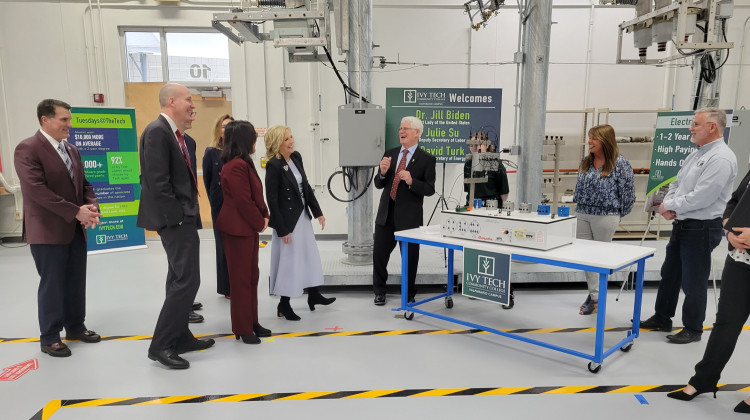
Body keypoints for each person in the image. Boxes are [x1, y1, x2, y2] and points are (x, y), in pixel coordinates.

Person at [13, 99, 102, 358]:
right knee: (53, 282)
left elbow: (84, 183)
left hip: (74, 228)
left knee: (76, 279)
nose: (69, 125)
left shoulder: (71, 149)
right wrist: (76, 211)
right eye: (64, 120)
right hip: (47, 230)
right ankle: (50, 336)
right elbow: (36, 191)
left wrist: (91, 207)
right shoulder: (28, 149)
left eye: (69, 119)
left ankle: (75, 326)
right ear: (45, 120)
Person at [641, 108, 737, 344]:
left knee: (693, 280)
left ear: (712, 127)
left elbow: (703, 197)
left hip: (702, 227)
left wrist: (670, 206)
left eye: (695, 124)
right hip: (684, 223)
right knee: (670, 274)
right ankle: (662, 317)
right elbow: (677, 183)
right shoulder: (696, 154)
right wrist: (668, 204)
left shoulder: (721, 158)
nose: (690, 128)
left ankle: (693, 328)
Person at [137, 83, 214, 369]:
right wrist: (178, 217)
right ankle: (161, 345)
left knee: (177, 278)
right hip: (175, 219)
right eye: (188, 99)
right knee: (187, 280)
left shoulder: (178, 136)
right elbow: (156, 183)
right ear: (171, 101)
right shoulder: (157, 132)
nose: (193, 105)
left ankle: (180, 336)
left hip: (183, 217)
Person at [666, 168, 750, 414]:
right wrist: (728, 228)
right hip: (740, 260)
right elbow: (734, 200)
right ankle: (703, 379)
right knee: (726, 323)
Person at [264, 125, 334, 321]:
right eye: (287, 139)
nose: (291, 141)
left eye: (291, 137)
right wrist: (281, 228)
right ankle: (283, 304)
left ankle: (313, 295)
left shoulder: (296, 158)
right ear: (278, 143)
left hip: (302, 216)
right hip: (288, 222)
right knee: (290, 263)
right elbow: (273, 200)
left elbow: (306, 187)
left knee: (308, 256)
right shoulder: (274, 165)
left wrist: (317, 211)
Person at [214, 120, 271, 344]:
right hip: (238, 230)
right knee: (240, 281)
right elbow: (243, 201)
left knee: (251, 277)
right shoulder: (235, 166)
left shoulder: (243, 162)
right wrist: (260, 222)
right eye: (253, 136)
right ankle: (242, 327)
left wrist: (263, 215)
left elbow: (255, 195)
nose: (256, 140)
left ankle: (252, 322)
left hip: (246, 229)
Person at [373, 116, 436, 306]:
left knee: (409, 258)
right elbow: (378, 184)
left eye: (405, 128)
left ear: (417, 132)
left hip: (409, 218)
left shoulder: (427, 159)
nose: (401, 131)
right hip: (386, 214)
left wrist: (412, 182)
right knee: (379, 255)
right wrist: (382, 172)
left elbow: (430, 189)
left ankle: (408, 292)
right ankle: (379, 291)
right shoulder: (390, 153)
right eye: (400, 128)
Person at [573, 124, 635, 315]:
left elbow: (628, 194)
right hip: (582, 213)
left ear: (605, 141)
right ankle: (595, 295)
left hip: (606, 216)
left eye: (594, 138)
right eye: (589, 137)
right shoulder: (586, 161)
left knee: (599, 258)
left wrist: (616, 214)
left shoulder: (620, 164)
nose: (589, 141)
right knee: (586, 258)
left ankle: (595, 297)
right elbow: (578, 187)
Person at [464, 141, 514, 308]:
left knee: (498, 250)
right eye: (472, 144)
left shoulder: (495, 164)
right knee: (474, 248)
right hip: (473, 210)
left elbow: (504, 194)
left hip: (491, 211)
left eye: (479, 144)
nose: (475, 147)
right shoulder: (469, 163)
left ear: (487, 146)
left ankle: (505, 292)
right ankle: (477, 287)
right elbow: (468, 188)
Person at [203, 114, 233, 299]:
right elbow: (208, 182)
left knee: (235, 247)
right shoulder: (211, 152)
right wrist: (217, 206)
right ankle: (226, 287)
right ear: (218, 130)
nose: (227, 130)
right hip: (220, 207)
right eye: (224, 127)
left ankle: (237, 282)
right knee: (223, 247)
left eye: (230, 127)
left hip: (237, 207)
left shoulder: (238, 153)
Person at [183, 131, 204, 324]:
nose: (192, 111)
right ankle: (183, 309)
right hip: (175, 217)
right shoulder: (158, 134)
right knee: (180, 268)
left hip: (190, 210)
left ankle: (186, 302)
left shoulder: (189, 141)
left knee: (191, 266)